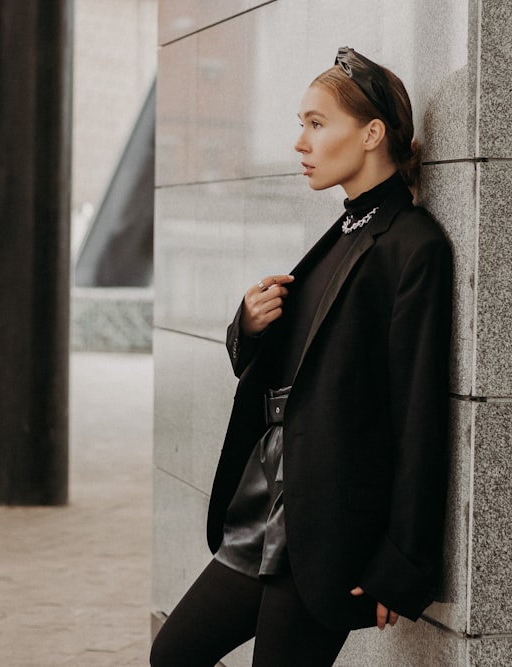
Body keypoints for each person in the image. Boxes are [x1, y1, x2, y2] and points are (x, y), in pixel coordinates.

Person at [150, 46, 453, 667]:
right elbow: (293, 366)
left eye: (317, 123)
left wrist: (402, 561)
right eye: (301, 124)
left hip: (327, 529)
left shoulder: (411, 246)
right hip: (263, 513)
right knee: (172, 655)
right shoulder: (343, 233)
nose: (300, 142)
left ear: (371, 134)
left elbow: (420, 415)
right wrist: (251, 327)